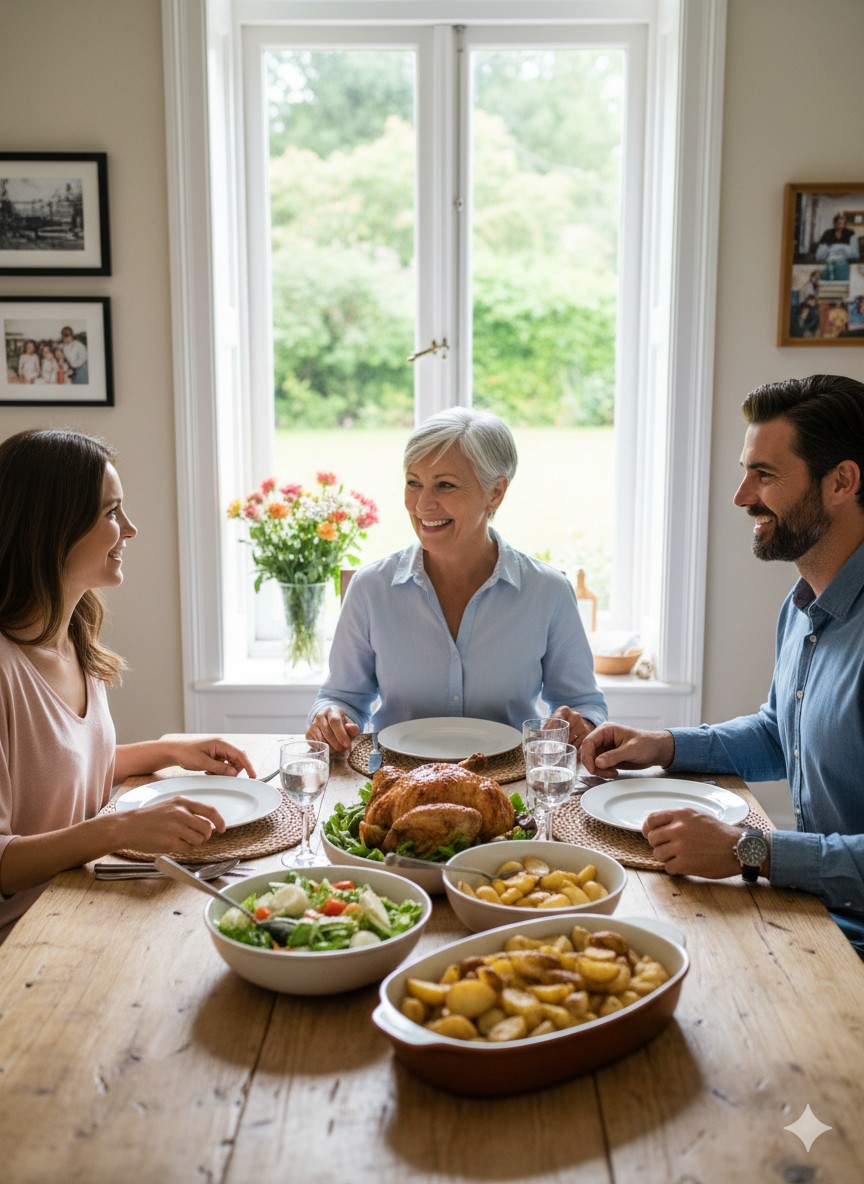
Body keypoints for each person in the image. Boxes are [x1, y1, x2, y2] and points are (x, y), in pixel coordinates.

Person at [580, 374, 864, 957]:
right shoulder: (802, 603)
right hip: (811, 911)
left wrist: (749, 852)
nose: (740, 495)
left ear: (842, 482)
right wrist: (662, 744)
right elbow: (780, 733)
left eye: (764, 474)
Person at [0, 428, 256, 941]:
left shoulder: (72, 637)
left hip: (79, 903)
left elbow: (51, 777)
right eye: (111, 512)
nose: (130, 529)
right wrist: (117, 830)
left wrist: (163, 752)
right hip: (24, 946)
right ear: (52, 529)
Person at [307, 407, 607, 753]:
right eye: (413, 483)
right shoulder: (369, 589)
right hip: (394, 787)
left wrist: (582, 722)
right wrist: (330, 716)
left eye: (444, 485)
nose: (422, 505)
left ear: (495, 492)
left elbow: (584, 703)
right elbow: (341, 697)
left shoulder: (549, 592)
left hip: (510, 789)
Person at [815, 212, 860, 281]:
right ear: (834, 224)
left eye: (843, 224)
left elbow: (855, 254)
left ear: (845, 224)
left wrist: (842, 248)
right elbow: (820, 254)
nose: (841, 226)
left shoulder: (850, 233)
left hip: (844, 264)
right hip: (829, 263)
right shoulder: (828, 233)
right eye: (839, 223)